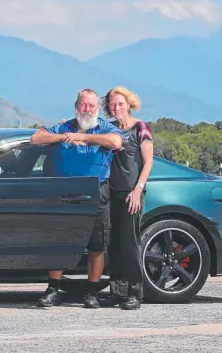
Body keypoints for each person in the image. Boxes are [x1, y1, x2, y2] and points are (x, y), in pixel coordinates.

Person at [30, 89, 122, 308]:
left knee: (96, 245)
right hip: (64, 191)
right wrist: (64, 138)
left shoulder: (106, 127)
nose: (87, 109)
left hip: (96, 191)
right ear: (76, 106)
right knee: (60, 242)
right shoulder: (64, 127)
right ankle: (53, 289)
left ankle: (92, 293)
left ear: (98, 109)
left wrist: (84, 137)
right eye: (83, 105)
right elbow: (36, 138)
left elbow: (116, 142)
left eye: (91, 106)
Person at [102, 86, 154, 310]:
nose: (116, 108)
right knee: (113, 243)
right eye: (112, 105)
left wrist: (137, 189)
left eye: (120, 104)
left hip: (131, 193)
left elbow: (148, 161)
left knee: (130, 242)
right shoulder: (110, 130)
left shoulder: (140, 128)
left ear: (129, 104)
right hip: (111, 193)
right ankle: (117, 292)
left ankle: (135, 292)